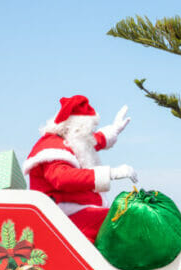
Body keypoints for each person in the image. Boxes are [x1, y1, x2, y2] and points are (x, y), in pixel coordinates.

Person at [23, 95, 136, 242]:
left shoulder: (71, 140)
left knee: (122, 219)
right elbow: (62, 178)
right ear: (76, 129)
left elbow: (91, 142)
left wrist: (113, 130)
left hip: (75, 212)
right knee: (120, 224)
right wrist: (110, 173)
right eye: (89, 130)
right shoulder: (51, 148)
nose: (91, 134)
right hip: (62, 218)